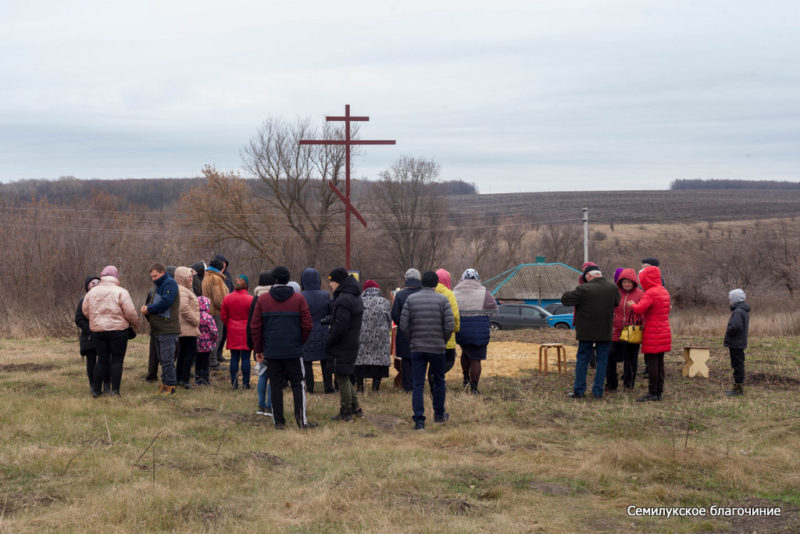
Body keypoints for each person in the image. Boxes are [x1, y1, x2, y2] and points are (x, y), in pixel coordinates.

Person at [250, 266, 316, 430]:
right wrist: (299, 341)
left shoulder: (263, 300)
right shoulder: (298, 300)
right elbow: (307, 325)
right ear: (288, 279)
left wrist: (258, 349)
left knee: (276, 384)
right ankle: (301, 421)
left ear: (273, 280)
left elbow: (256, 326)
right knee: (297, 384)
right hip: (293, 350)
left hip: (272, 351)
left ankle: (279, 422)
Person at [399, 271, 455, 430]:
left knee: (417, 383)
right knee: (439, 381)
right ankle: (439, 415)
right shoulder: (443, 300)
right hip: (437, 348)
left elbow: (403, 325)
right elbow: (450, 325)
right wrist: (442, 340)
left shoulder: (411, 299)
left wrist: (412, 340)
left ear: (422, 282)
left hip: (417, 347)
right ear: (436, 284)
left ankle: (419, 420)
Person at [561, 265, 620, 399]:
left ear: (588, 276)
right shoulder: (612, 287)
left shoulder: (584, 289)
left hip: (586, 332)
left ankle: (579, 391)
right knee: (602, 361)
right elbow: (616, 302)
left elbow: (565, 299)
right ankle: (598, 392)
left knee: (582, 360)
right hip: (605, 331)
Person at [82, 266, 140, 397]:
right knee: (117, 360)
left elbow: (85, 310)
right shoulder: (121, 291)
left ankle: (96, 390)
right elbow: (130, 312)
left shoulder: (92, 292)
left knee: (101, 359)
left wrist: (96, 320)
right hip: (119, 331)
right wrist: (136, 324)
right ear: (116, 276)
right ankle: (115, 391)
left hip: (98, 331)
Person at [628, 265, 672, 402]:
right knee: (660, 363)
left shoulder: (651, 293)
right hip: (664, 329)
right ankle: (659, 391)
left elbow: (640, 309)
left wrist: (632, 305)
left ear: (647, 279)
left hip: (653, 331)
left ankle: (652, 392)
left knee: (652, 363)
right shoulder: (664, 291)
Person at [326, 268, 364, 422]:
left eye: (332, 281)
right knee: (346, 376)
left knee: (341, 377)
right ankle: (356, 408)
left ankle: (346, 412)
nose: (330, 284)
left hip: (343, 344)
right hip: (352, 342)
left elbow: (340, 327)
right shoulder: (354, 297)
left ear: (339, 282)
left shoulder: (343, 300)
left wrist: (330, 341)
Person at [453, 268, 498, 394]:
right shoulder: (484, 291)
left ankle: (465, 378)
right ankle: (474, 388)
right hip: (479, 331)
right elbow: (494, 308)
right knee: (476, 359)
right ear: (477, 278)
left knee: (465, 351)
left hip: (461, 330)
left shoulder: (455, 291)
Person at [141, 263, 182, 395]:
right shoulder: (158, 286)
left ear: (163, 273)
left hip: (167, 329)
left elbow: (166, 302)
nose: (153, 278)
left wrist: (149, 309)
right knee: (162, 360)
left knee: (167, 359)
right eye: (152, 276)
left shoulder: (170, 284)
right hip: (158, 329)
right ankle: (165, 384)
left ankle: (170, 386)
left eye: (155, 276)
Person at [608, 268, 643, 391]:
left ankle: (628, 385)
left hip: (632, 331)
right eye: (624, 282)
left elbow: (643, 311)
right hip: (616, 329)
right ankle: (611, 383)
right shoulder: (615, 292)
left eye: (629, 282)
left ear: (634, 282)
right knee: (610, 355)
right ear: (620, 282)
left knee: (631, 358)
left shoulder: (640, 294)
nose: (627, 284)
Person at [300, 268, 333, 394]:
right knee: (325, 361)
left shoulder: (301, 296)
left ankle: (310, 387)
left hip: (307, 331)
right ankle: (328, 386)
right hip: (323, 331)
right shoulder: (325, 295)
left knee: (307, 361)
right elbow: (330, 313)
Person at [355, 280, 392, 394]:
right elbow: (389, 322)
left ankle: (360, 388)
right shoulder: (385, 302)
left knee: (360, 361)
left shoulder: (358, 302)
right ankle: (375, 389)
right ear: (378, 290)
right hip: (379, 339)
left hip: (361, 337)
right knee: (378, 361)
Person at [75, 275, 110, 395]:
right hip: (89, 336)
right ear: (87, 286)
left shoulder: (107, 298)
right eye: (92, 282)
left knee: (105, 360)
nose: (95, 284)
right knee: (91, 361)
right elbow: (79, 319)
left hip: (105, 335)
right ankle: (94, 386)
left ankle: (106, 385)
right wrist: (91, 329)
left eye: (98, 282)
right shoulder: (83, 300)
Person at [391, 268, 423, 392]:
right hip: (421, 332)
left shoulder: (400, 295)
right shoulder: (424, 293)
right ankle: (418, 385)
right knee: (420, 359)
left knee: (406, 360)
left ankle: (407, 386)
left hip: (404, 334)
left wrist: (404, 325)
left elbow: (395, 314)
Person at [221, 274, 254, 389]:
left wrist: (229, 324)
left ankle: (234, 383)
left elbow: (223, 315)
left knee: (234, 358)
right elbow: (254, 316)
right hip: (246, 331)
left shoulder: (227, 298)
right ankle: (246, 383)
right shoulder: (251, 299)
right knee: (246, 358)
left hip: (233, 329)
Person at [248, 271, 274, 416]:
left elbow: (251, 323)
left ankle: (260, 405)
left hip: (258, 341)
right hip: (271, 341)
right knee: (273, 375)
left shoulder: (255, 299)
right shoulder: (273, 298)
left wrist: (251, 343)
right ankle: (270, 405)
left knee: (262, 374)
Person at [431, 268, 460, 391]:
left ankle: (433, 386)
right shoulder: (449, 294)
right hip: (447, 337)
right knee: (449, 361)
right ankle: (437, 379)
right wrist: (456, 329)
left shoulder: (429, 292)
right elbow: (455, 316)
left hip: (430, 336)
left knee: (433, 363)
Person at [174, 266, 200, 389]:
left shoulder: (182, 289)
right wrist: (195, 320)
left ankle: (179, 378)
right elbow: (183, 307)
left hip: (184, 327)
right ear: (182, 278)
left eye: (191, 277)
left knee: (183, 353)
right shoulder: (183, 290)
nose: (191, 279)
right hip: (187, 327)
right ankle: (185, 380)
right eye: (189, 277)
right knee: (189, 354)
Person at [202, 258, 229, 368]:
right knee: (217, 336)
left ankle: (209, 360)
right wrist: (225, 309)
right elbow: (219, 298)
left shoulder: (206, 276)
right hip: (216, 312)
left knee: (209, 336)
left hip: (208, 311)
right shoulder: (216, 278)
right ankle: (212, 361)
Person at [724, 288, 750, 397]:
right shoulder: (743, 310)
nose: (729, 302)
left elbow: (735, 326)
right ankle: (738, 388)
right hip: (740, 342)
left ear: (735, 300)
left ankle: (738, 390)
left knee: (737, 365)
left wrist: (729, 332)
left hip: (736, 343)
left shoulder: (738, 311)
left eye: (731, 300)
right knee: (739, 364)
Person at [214, 254, 234, 364]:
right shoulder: (215, 276)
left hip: (228, 307)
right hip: (218, 308)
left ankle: (219, 353)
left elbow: (231, 289)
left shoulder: (227, 275)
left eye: (225, 263)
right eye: (222, 263)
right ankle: (214, 355)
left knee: (225, 332)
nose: (224, 265)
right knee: (218, 332)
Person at [195, 296, 218, 386]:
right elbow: (214, 330)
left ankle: (197, 378)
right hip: (207, 343)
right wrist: (214, 339)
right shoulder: (208, 317)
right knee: (205, 361)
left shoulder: (194, 315)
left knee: (198, 361)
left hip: (197, 342)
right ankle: (205, 379)